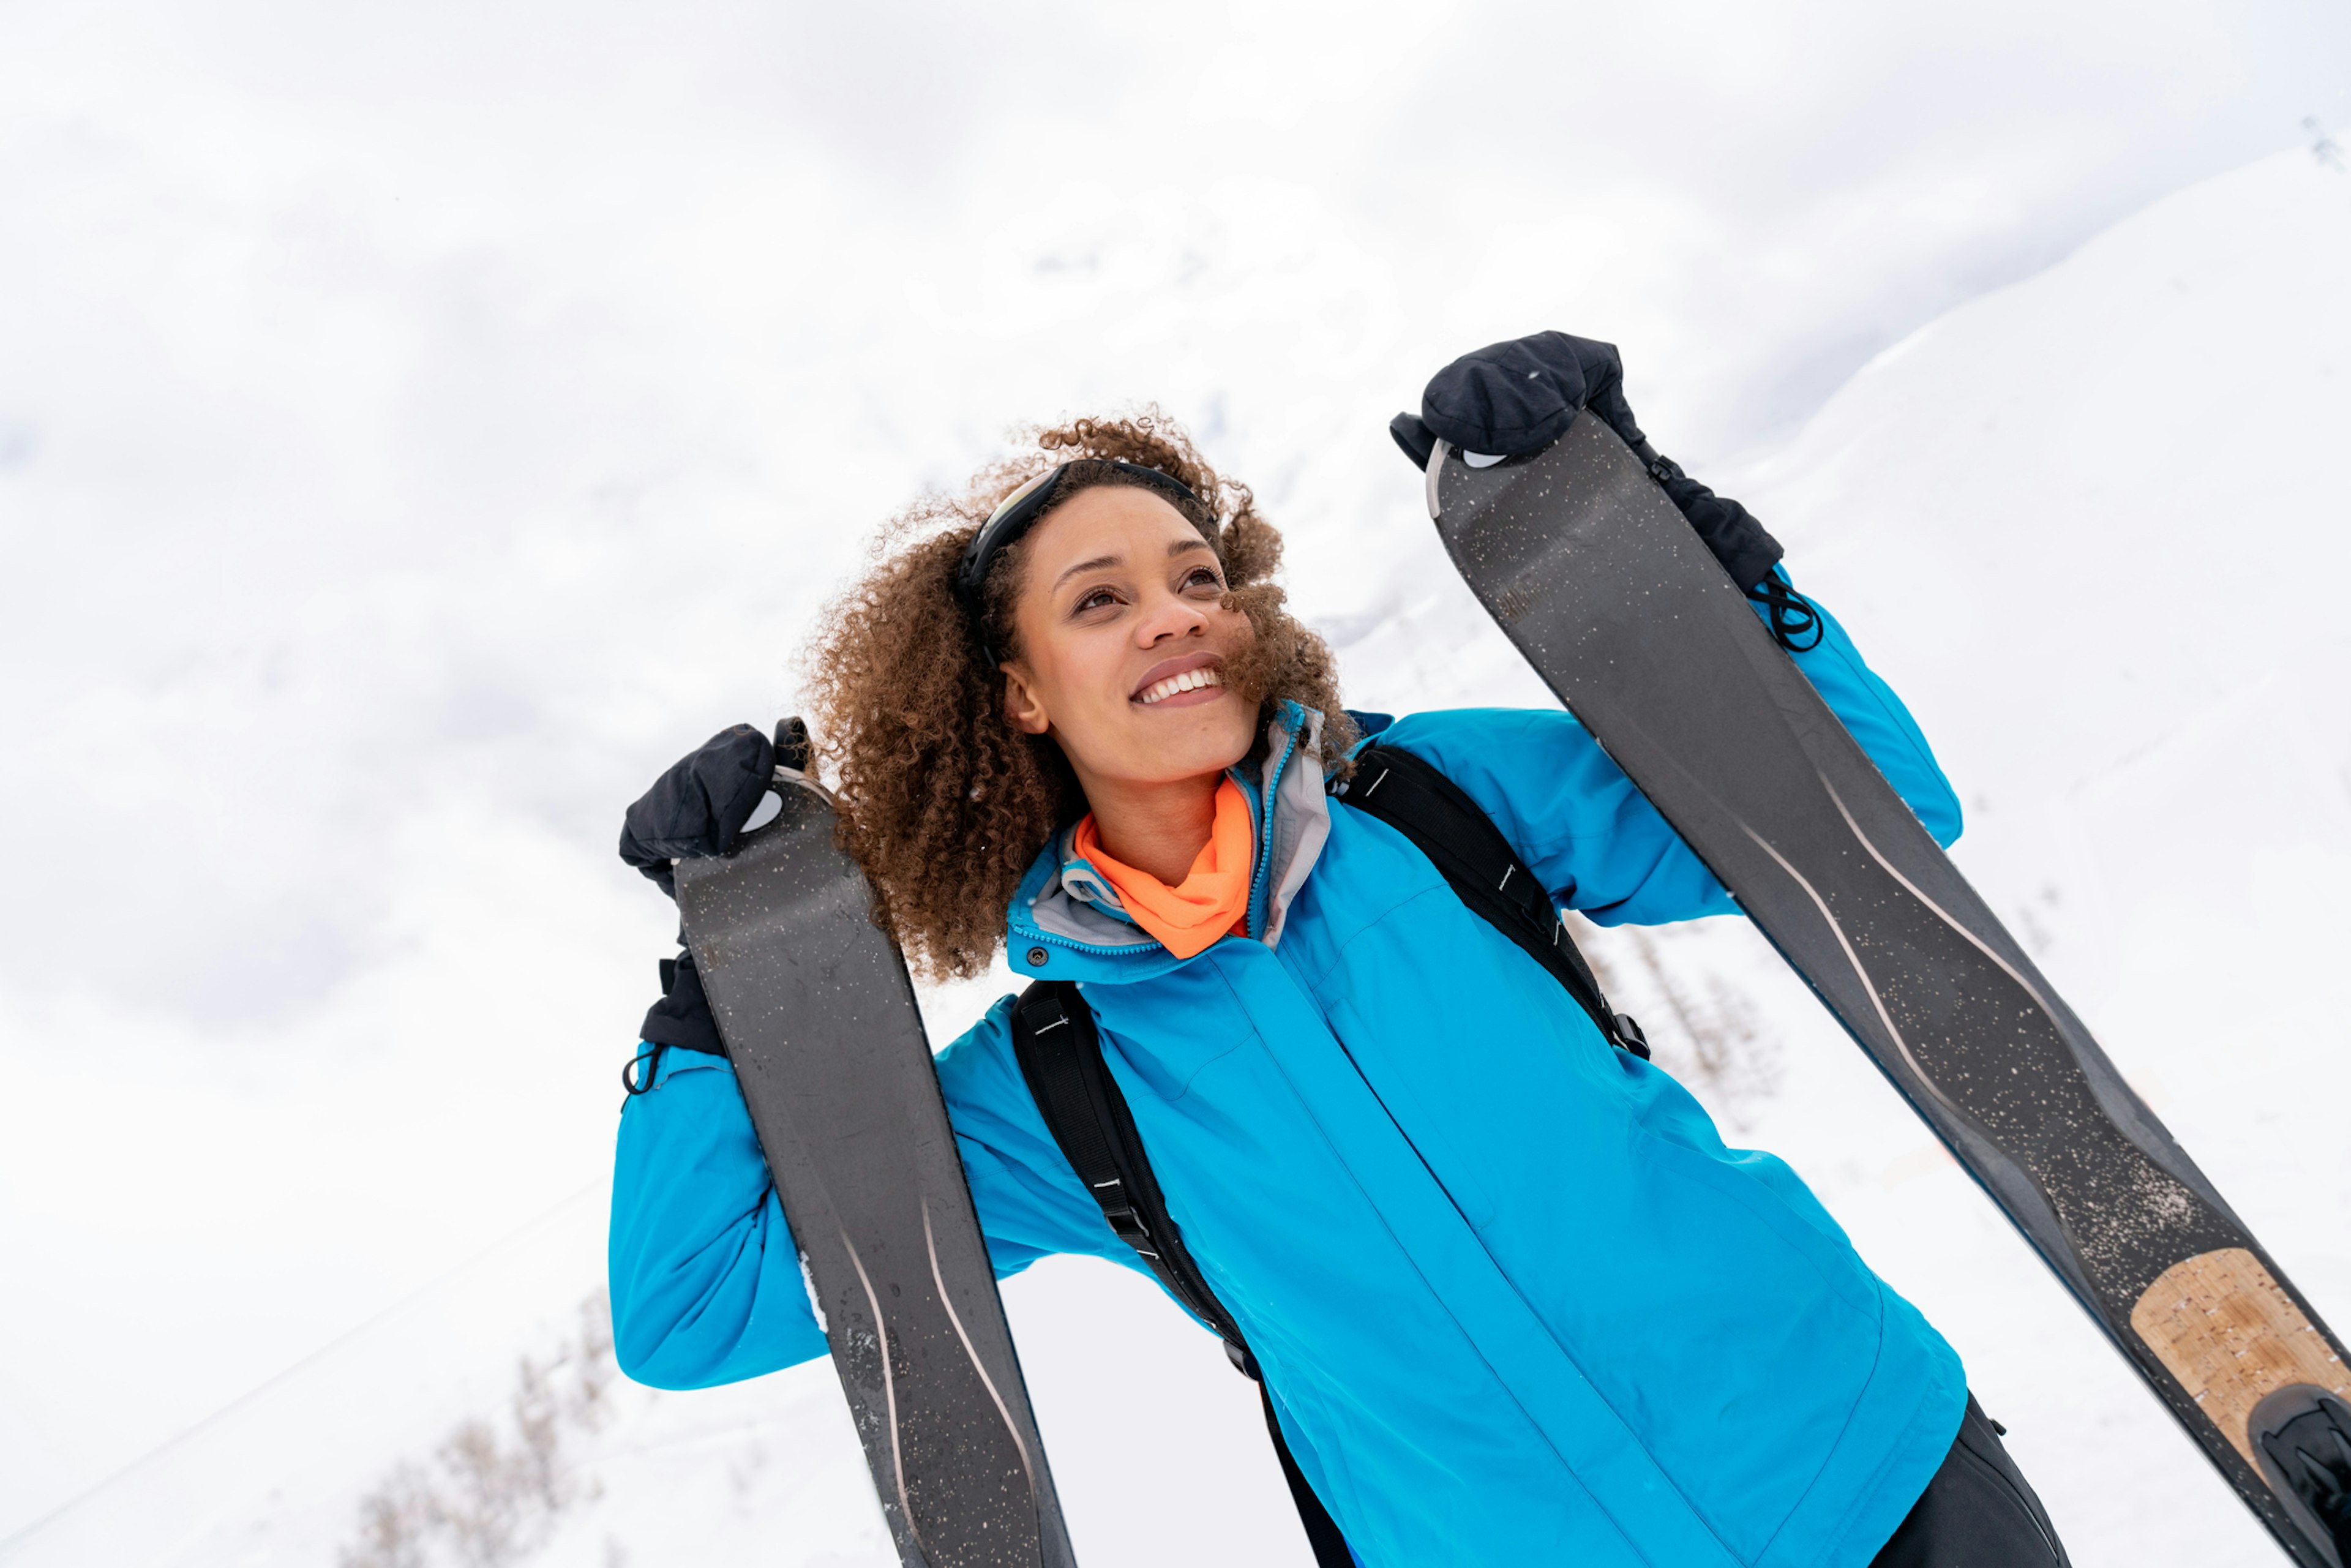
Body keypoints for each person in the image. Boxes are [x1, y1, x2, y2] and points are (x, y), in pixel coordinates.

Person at [607, 332, 2072, 1567]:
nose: (1176, 617)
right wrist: (723, 1010)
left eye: (1197, 577)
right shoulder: (1050, 1085)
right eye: (1100, 601)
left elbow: (1880, 821)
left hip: (1873, 1465)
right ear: (1019, 696)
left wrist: (1688, 555)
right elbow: (697, 1313)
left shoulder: (1437, 806)